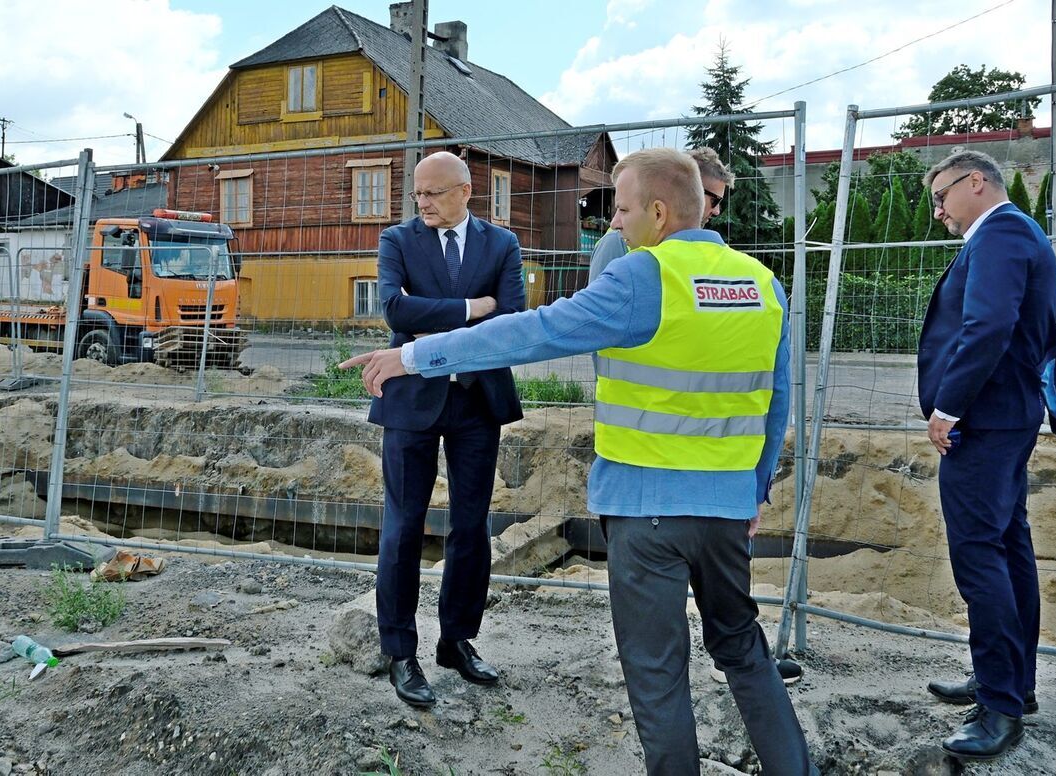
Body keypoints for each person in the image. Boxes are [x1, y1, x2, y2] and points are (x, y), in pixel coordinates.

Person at [343, 148, 816, 774]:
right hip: (727, 509)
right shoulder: (761, 282)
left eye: (620, 210)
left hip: (648, 513)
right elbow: (777, 400)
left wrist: (412, 357)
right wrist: (754, 491)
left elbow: (531, 331)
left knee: (657, 673)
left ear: (658, 210)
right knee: (743, 650)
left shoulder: (645, 277)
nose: (614, 225)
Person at [588, 147, 804, 688]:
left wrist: (756, 485)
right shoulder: (625, 253)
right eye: (704, 197)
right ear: (669, 201)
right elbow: (592, 343)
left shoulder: (738, 273)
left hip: (689, 491)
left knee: (698, 653)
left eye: (715, 202)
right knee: (699, 648)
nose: (709, 211)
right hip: (660, 483)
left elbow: (770, 394)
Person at [917, 149, 1056, 761]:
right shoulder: (1018, 233)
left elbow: (987, 326)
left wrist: (948, 407)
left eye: (941, 198)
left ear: (974, 182)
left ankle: (1001, 707)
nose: (938, 213)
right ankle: (1010, 685)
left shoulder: (1003, 233)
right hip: (1004, 418)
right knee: (1007, 549)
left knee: (980, 556)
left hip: (985, 423)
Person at [368, 150, 526, 709]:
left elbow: (509, 320)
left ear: (465, 191)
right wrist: (467, 306)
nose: (423, 203)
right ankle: (401, 651)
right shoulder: (398, 241)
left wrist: (441, 310)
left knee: (470, 529)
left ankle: (457, 641)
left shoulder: (501, 244)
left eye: (433, 193)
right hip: (411, 403)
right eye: (417, 194)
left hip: (477, 402)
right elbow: (395, 312)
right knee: (403, 527)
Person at [587, 145, 733, 278]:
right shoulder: (617, 240)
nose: (717, 211)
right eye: (715, 201)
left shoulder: (679, 245)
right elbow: (597, 304)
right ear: (692, 189)